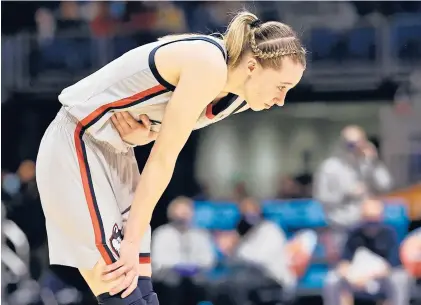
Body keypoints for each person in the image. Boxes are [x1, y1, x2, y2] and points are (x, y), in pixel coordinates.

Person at [36, 10, 306, 305]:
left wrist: (145, 135)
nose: (281, 100)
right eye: (282, 87)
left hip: (117, 151)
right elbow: (163, 158)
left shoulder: (239, 98)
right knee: (122, 292)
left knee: (143, 296)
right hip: (78, 140)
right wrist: (130, 240)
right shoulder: (209, 64)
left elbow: (161, 131)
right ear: (253, 66)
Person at [323, 198, 411, 305]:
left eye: (375, 219)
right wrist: (352, 277)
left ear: (381, 217)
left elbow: (392, 265)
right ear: (362, 217)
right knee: (332, 279)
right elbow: (344, 263)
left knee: (400, 278)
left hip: (380, 278)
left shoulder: (389, 233)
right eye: (369, 219)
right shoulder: (354, 233)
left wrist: (368, 276)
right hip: (356, 278)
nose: (372, 224)